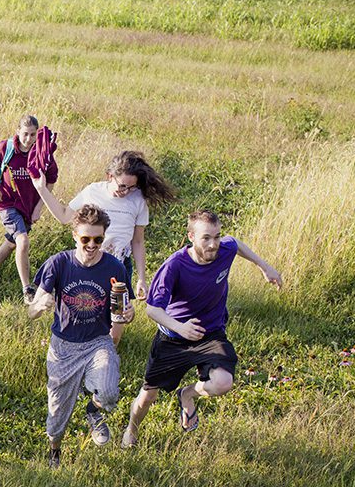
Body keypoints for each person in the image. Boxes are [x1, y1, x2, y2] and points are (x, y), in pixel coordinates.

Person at [122, 210, 283, 446]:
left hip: (211, 332)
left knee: (223, 382)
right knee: (148, 396)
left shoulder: (224, 250)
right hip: (174, 338)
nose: (213, 244)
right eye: (206, 238)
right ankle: (131, 431)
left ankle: (187, 394)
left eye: (216, 236)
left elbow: (236, 243)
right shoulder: (174, 266)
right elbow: (152, 309)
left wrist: (264, 266)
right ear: (191, 236)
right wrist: (181, 328)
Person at [28, 204, 135, 469]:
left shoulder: (115, 268)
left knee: (109, 392)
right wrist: (39, 306)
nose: (91, 245)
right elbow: (32, 310)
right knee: (56, 416)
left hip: (98, 342)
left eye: (98, 239)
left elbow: (121, 312)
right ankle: (54, 450)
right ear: (75, 235)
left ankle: (94, 410)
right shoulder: (58, 263)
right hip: (63, 346)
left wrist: (128, 315)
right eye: (85, 238)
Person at [32, 151, 175, 299]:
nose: (125, 191)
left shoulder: (138, 200)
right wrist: (41, 189)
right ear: (110, 176)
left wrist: (141, 279)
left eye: (131, 187)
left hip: (119, 265)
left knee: (118, 313)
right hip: (90, 260)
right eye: (122, 186)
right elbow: (63, 216)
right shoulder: (93, 191)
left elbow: (138, 241)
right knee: (87, 306)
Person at [0, 115, 57, 300]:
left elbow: (51, 181)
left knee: (12, 242)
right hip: (7, 203)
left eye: (33, 135)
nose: (28, 139)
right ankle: (28, 289)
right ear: (18, 132)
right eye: (25, 134)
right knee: (22, 241)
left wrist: (39, 207)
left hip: (28, 206)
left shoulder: (42, 153)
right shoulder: (7, 148)